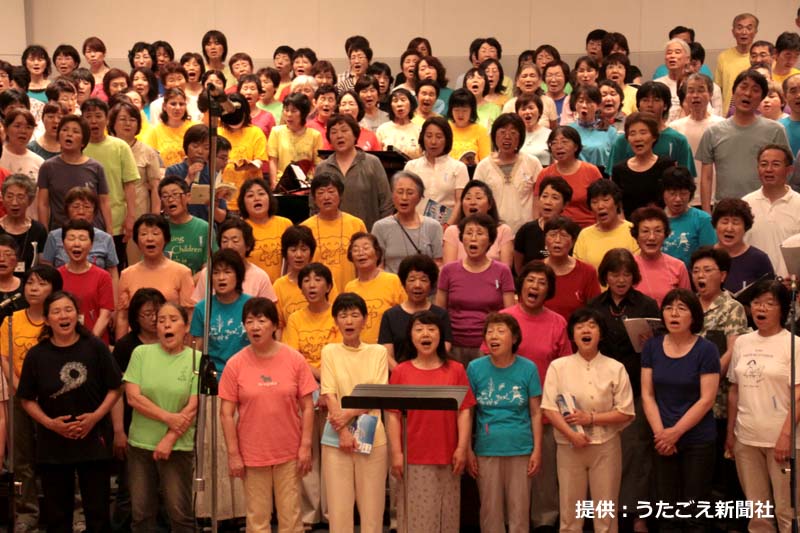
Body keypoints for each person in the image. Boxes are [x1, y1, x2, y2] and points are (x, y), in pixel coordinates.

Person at [18, 290, 122, 533]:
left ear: (78, 315)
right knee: (57, 516)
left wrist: (95, 417)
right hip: (53, 444)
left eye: (68, 310)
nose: (63, 316)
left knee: (97, 514)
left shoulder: (95, 347)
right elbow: (26, 399)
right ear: (46, 319)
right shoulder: (36, 355)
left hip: (93, 440)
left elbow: (116, 388)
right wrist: (50, 423)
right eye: (56, 311)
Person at [219, 297, 317, 532]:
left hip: (289, 450)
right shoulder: (235, 364)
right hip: (252, 453)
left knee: (291, 517)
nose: (255, 326)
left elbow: (307, 406)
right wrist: (233, 454)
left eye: (261, 320)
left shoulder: (294, 359)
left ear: (274, 326)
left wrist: (305, 446)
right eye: (249, 321)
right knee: (257, 518)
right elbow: (226, 413)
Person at [542, 307, 635, 533]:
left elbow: (626, 412)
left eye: (592, 325)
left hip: (606, 446)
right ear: (572, 334)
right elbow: (549, 409)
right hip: (569, 446)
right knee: (570, 511)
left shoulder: (616, 368)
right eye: (580, 326)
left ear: (601, 334)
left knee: (605, 511)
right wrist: (572, 434)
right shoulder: (558, 366)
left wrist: (591, 418)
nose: (586, 330)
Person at [586, 248, 660, 532]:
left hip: (638, 385)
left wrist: (648, 340)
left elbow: (659, 348)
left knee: (636, 451)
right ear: (605, 275)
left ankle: (637, 515)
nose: (620, 279)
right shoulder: (595, 306)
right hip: (601, 388)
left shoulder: (647, 305)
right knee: (602, 451)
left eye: (627, 273)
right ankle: (605, 513)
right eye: (615, 273)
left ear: (634, 276)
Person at [498, 260, 571, 529]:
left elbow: (565, 368)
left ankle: (545, 523)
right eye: (531, 280)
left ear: (549, 290)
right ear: (521, 284)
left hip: (546, 410)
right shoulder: (503, 319)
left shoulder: (558, 322)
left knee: (544, 478)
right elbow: (489, 361)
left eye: (542, 283)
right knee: (511, 479)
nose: (535, 286)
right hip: (507, 413)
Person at [387, 310, 474, 533]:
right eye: (419, 329)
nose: (425, 334)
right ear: (410, 336)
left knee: (447, 516)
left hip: (448, 454)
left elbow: (464, 411)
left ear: (440, 335)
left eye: (431, 329)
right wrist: (396, 453)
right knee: (417, 518)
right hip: (413, 456)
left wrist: (462, 448)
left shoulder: (456, 370)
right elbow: (393, 415)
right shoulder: (401, 372)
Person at [641, 288, 720, 532]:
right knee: (667, 510)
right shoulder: (652, 347)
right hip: (661, 437)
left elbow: (707, 399)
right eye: (668, 308)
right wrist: (661, 434)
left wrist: (675, 432)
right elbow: (647, 394)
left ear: (693, 316)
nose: (674, 314)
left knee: (695, 510)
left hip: (697, 438)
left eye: (681, 308)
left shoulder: (706, 349)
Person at [726, 280, 800, 532]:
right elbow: (734, 391)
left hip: (782, 440)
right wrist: (730, 435)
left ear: (782, 309)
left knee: (787, 511)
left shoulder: (794, 344)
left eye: (770, 303)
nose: (762, 308)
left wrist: (785, 437)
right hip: (746, 438)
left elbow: (799, 396)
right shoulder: (743, 343)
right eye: (757, 303)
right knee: (758, 513)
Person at [124, 301, 198, 533]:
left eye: (173, 320)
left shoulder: (196, 359)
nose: (167, 324)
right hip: (140, 445)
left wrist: (169, 438)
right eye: (162, 320)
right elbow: (133, 398)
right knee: (141, 514)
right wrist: (168, 418)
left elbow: (193, 405)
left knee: (180, 514)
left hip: (178, 447)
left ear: (186, 327)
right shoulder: (141, 353)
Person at [466, 312, 542, 533]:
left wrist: (537, 450)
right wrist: (468, 449)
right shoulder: (475, 368)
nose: (493, 336)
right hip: (487, 448)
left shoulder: (528, 368)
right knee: (490, 512)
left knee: (520, 512)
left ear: (515, 338)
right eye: (489, 332)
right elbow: (468, 412)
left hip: (520, 447)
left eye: (500, 331)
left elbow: (536, 412)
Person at [320, 292, 389, 533]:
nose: (349, 321)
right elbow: (329, 393)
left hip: (372, 433)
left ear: (365, 320)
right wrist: (343, 432)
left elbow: (377, 394)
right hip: (335, 436)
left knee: (372, 509)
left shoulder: (378, 352)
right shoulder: (329, 351)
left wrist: (347, 415)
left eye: (354, 315)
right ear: (336, 321)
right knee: (339, 511)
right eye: (343, 315)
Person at [0, 265, 61, 531]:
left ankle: (68, 510)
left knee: (58, 456)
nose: (33, 288)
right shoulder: (10, 320)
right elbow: (4, 357)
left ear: (55, 290)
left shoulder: (59, 320)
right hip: (20, 398)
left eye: (41, 283)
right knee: (21, 459)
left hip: (54, 398)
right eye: (30, 283)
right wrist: (21, 391)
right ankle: (26, 513)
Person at [109, 288, 165, 531]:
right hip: (133, 426)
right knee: (129, 490)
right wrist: (119, 431)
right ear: (135, 317)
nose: (154, 319)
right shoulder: (125, 346)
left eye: (157, 313)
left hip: (167, 428)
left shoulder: (172, 342)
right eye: (147, 314)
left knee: (164, 491)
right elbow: (117, 393)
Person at [698, 71, 790, 211]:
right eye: (743, 87)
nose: (748, 93)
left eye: (755, 90)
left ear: (761, 98)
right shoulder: (713, 132)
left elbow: (783, 172)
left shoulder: (775, 130)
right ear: (734, 92)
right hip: (725, 209)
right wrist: (706, 213)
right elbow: (706, 177)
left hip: (765, 207)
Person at [436, 214, 515, 364]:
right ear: (461, 239)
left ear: (490, 240)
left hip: (488, 347)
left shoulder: (502, 271)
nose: (473, 238)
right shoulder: (448, 270)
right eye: (468, 233)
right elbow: (439, 312)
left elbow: (509, 315)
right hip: (453, 346)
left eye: (479, 233)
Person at [116, 214, 195, 339]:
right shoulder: (127, 274)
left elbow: (189, 315)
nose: (149, 239)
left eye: (155, 233)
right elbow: (122, 317)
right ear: (136, 241)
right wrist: (121, 350)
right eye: (143, 234)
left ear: (166, 239)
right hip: (138, 343)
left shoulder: (182, 272)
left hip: (171, 341)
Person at [37, 115, 113, 233]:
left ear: (83, 141)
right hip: (60, 232)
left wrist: (109, 232)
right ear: (58, 137)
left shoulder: (96, 168)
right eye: (65, 130)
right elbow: (43, 204)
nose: (69, 134)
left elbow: (104, 202)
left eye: (75, 131)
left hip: (93, 231)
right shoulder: (47, 167)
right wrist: (44, 233)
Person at [314, 114, 391, 231]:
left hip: (367, 237)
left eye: (344, 130)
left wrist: (380, 234)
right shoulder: (322, 168)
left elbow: (386, 203)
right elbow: (314, 206)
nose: (339, 135)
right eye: (333, 132)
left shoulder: (372, 163)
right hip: (331, 237)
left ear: (355, 135)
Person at [606, 82, 696, 182]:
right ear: (638, 105)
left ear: (665, 105)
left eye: (656, 100)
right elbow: (613, 180)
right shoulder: (622, 141)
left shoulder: (678, 140)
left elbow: (686, 180)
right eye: (645, 100)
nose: (650, 105)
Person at [379, 254, 453, 368]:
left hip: (433, 376)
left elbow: (444, 349)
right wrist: (402, 375)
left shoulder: (440, 315)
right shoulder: (390, 316)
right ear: (403, 283)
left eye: (424, 280)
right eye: (412, 280)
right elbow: (387, 354)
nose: (417, 285)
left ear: (431, 284)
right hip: (399, 380)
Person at [41, 187, 120, 292]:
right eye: (76, 207)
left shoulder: (106, 238)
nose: (81, 212)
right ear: (67, 210)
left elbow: (113, 273)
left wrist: (114, 303)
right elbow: (47, 271)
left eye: (87, 207)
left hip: (97, 292)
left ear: (95, 211)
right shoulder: (54, 237)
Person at [473, 113, 541, 233]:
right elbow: (477, 201)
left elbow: (538, 197)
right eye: (502, 132)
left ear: (521, 137)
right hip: (494, 231)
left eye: (513, 133)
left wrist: (536, 227)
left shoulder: (532, 163)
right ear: (494, 135)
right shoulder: (483, 166)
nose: (507, 137)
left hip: (526, 231)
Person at [302, 173, 367, 292]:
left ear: (340, 195)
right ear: (314, 199)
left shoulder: (356, 224)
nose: (326, 197)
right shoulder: (305, 228)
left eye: (331, 191)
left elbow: (366, 262)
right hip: (318, 296)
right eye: (321, 193)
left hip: (351, 293)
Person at [742, 144, 800, 278]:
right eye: (763, 164)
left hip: (789, 286)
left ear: (789, 170)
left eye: (775, 164)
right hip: (752, 287)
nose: (768, 169)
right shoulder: (745, 204)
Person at [191, 216, 277, 305]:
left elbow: (268, 313)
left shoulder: (260, 276)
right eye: (224, 241)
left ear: (248, 245)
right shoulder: (208, 273)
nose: (229, 246)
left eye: (235, 241)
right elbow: (198, 307)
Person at [669, 74, 726, 206]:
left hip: (716, 196)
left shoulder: (722, 126)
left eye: (701, 90)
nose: (695, 95)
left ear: (710, 94)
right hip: (685, 198)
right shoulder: (675, 127)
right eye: (691, 91)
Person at [371, 170, 443, 273]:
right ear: (392, 195)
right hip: (392, 287)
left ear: (419, 197)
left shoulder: (433, 226)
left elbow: (438, 263)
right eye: (400, 192)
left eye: (410, 193)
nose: (404, 197)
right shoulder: (380, 227)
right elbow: (378, 266)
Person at [404, 117, 469, 227]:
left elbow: (460, 202)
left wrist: (447, 226)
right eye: (429, 136)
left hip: (447, 229)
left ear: (447, 139)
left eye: (439, 137)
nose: (433, 141)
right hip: (415, 226)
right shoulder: (411, 166)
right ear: (422, 138)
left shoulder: (458, 167)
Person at [343, 232, 406, 344]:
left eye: (366, 248)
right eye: (356, 250)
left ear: (377, 253)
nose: (361, 253)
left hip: (388, 348)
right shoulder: (349, 287)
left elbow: (404, 315)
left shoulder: (393, 280)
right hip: (358, 350)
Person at [56, 218, 114, 340]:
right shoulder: (56, 276)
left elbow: (106, 314)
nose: (76, 243)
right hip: (63, 342)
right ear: (63, 243)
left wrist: (89, 342)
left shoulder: (103, 276)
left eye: (82, 239)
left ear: (91, 244)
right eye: (71, 238)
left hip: (95, 343)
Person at [535, 126, 603, 228]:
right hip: (554, 230)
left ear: (576, 146)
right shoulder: (544, 174)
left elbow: (601, 204)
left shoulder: (591, 171)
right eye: (554, 143)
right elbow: (537, 209)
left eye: (564, 142)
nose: (559, 146)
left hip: (586, 228)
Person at [612, 112, 676, 218]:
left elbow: (672, 199)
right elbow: (618, 207)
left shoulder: (666, 165)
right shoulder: (619, 170)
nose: (638, 138)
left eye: (643, 132)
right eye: (632, 134)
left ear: (654, 136)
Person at [442, 180, 513, 267]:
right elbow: (449, 271)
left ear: (490, 204)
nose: (472, 202)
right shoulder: (452, 231)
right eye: (468, 198)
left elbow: (506, 271)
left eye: (478, 198)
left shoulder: (503, 230)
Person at [543, 216, 601, 321]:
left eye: (564, 236)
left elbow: (595, 312)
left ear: (573, 241)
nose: (557, 240)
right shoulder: (534, 269)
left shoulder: (587, 272)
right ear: (545, 240)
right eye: (552, 235)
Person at [218, 94, 269, 213]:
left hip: (249, 198)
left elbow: (260, 161)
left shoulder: (255, 132)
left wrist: (247, 165)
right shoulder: (218, 132)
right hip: (224, 198)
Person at [630, 206, 691, 306]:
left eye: (658, 231)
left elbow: (687, 306)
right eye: (645, 231)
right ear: (636, 235)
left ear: (665, 234)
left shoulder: (678, 267)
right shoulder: (628, 265)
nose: (652, 237)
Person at [711, 198, 774, 293]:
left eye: (736, 223)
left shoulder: (759, 259)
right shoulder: (704, 257)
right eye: (724, 222)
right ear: (715, 225)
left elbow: (770, 295)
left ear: (746, 227)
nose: (729, 228)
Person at [574, 179, 639, 270]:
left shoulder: (632, 230)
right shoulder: (584, 235)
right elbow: (580, 271)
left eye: (606, 200)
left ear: (617, 203)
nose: (600, 206)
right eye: (594, 202)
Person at [661, 166, 717, 268]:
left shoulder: (703, 219)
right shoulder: (656, 219)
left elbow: (709, 258)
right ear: (663, 193)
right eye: (672, 193)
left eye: (683, 193)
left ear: (690, 193)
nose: (678, 199)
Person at [238, 178, 292, 282]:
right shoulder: (240, 228)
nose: (256, 198)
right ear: (243, 203)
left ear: (269, 198)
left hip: (281, 289)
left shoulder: (285, 224)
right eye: (250, 195)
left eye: (261, 194)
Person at [514, 176, 571, 272]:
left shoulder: (571, 231)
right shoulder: (526, 230)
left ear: (565, 204)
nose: (548, 202)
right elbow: (519, 268)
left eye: (555, 197)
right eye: (544, 196)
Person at [158, 176, 210, 274]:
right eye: (165, 196)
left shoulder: (204, 228)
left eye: (175, 194)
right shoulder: (158, 228)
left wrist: (190, 283)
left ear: (188, 197)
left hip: (196, 285)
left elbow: (209, 265)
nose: (170, 200)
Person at [0, 174, 47, 272]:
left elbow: (43, 267)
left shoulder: (39, 230)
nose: (14, 203)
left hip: (29, 284)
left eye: (20, 197)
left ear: (30, 200)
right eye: (9, 196)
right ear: (3, 199)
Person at [566, 85, 618, 172]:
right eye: (580, 101)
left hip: (601, 178)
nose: (584, 105)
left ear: (598, 105)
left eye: (589, 102)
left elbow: (615, 160)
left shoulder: (610, 131)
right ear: (575, 104)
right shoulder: (568, 131)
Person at [141, 88, 197, 167]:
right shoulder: (155, 131)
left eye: (181, 104)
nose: (177, 108)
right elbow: (149, 159)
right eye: (173, 104)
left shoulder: (194, 128)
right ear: (164, 106)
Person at [715, 13, 759, 111]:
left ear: (755, 32)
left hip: (754, 112)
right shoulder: (723, 57)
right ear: (733, 32)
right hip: (728, 114)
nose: (744, 32)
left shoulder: (759, 58)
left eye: (749, 28)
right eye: (739, 28)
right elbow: (718, 90)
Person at [1, 108, 44, 189]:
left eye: (28, 127)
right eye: (17, 126)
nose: (23, 131)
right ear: (6, 129)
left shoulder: (39, 162)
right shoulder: (1, 155)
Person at [447, 88, 490, 163]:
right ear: (451, 110)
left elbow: (486, 161)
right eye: (456, 110)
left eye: (465, 111)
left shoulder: (481, 131)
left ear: (472, 110)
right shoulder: (445, 128)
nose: (460, 114)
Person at [376, 88, 421, 159]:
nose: (399, 104)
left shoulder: (419, 130)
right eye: (395, 101)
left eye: (403, 100)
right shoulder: (382, 130)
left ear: (411, 104)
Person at [516, 93, 551, 165]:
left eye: (531, 108)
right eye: (523, 109)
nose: (527, 112)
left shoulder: (550, 134)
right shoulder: (514, 135)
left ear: (540, 112)